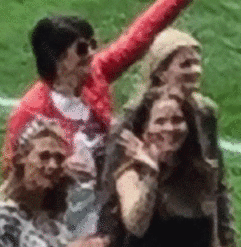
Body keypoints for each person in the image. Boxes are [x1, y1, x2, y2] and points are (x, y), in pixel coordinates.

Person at [1, 0, 212, 237]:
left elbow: (138, 38)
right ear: (59, 60)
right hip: (58, 219)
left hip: (103, 210)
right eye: (81, 48)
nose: (91, 52)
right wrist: (58, 169)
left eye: (91, 44)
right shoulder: (31, 111)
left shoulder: (95, 76)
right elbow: (12, 174)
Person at [98, 27, 237, 247]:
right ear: (161, 72)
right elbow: (109, 192)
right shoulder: (133, 118)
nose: (196, 71)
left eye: (197, 63)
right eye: (185, 65)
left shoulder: (204, 113)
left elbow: (216, 187)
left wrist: (227, 238)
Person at [97, 92, 236, 246]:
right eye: (160, 122)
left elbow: (212, 234)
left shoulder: (200, 173)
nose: (169, 128)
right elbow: (136, 226)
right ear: (145, 131)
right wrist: (151, 175)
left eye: (177, 120)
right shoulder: (131, 174)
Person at [0, 119, 109, 247]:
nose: (52, 165)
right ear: (21, 158)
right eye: (44, 156)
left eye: (59, 158)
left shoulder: (56, 207)